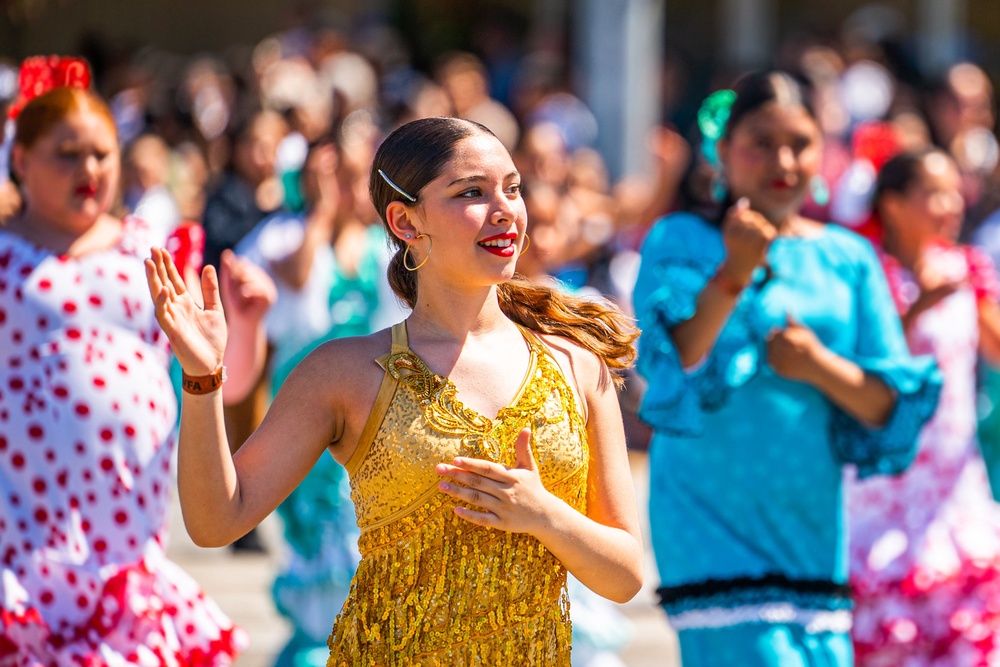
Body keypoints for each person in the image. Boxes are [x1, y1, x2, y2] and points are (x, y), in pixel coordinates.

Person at [146, 116, 644, 664]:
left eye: (513, 187)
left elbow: (624, 576)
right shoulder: (345, 371)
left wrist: (543, 515)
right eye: (471, 192)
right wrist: (202, 377)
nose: (505, 209)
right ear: (406, 222)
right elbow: (217, 520)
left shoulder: (575, 363)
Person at [632, 71, 942, 667]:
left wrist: (818, 366)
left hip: (810, 524)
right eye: (760, 141)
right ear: (722, 152)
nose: (782, 159)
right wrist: (734, 273)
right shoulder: (680, 238)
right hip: (707, 514)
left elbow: (887, 408)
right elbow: (679, 357)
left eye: (799, 142)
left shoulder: (847, 258)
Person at [0, 56, 272, 664]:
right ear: (21, 161)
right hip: (22, 539)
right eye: (66, 154)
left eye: (101, 153)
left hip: (125, 548)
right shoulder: (5, 252)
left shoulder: (147, 254)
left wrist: (245, 327)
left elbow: (227, 387)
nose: (89, 169)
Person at [848, 148, 1000, 665]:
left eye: (954, 191)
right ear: (892, 204)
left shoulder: (967, 268)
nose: (952, 204)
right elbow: (866, 371)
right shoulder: (866, 273)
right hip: (885, 480)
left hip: (953, 481)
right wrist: (917, 309)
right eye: (935, 193)